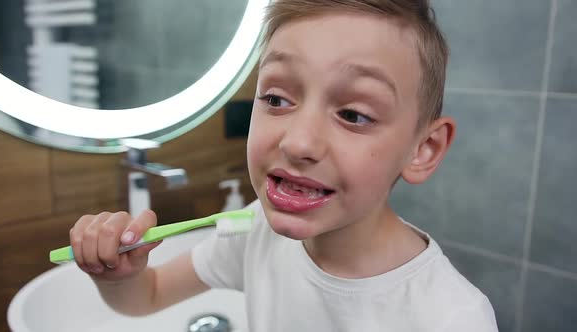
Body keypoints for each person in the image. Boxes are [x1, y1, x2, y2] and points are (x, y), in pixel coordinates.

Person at [68, 0, 499, 330]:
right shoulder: (256, 229)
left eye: (353, 114)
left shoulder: (453, 317)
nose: (298, 142)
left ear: (423, 149)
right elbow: (149, 296)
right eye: (276, 99)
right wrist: (118, 277)